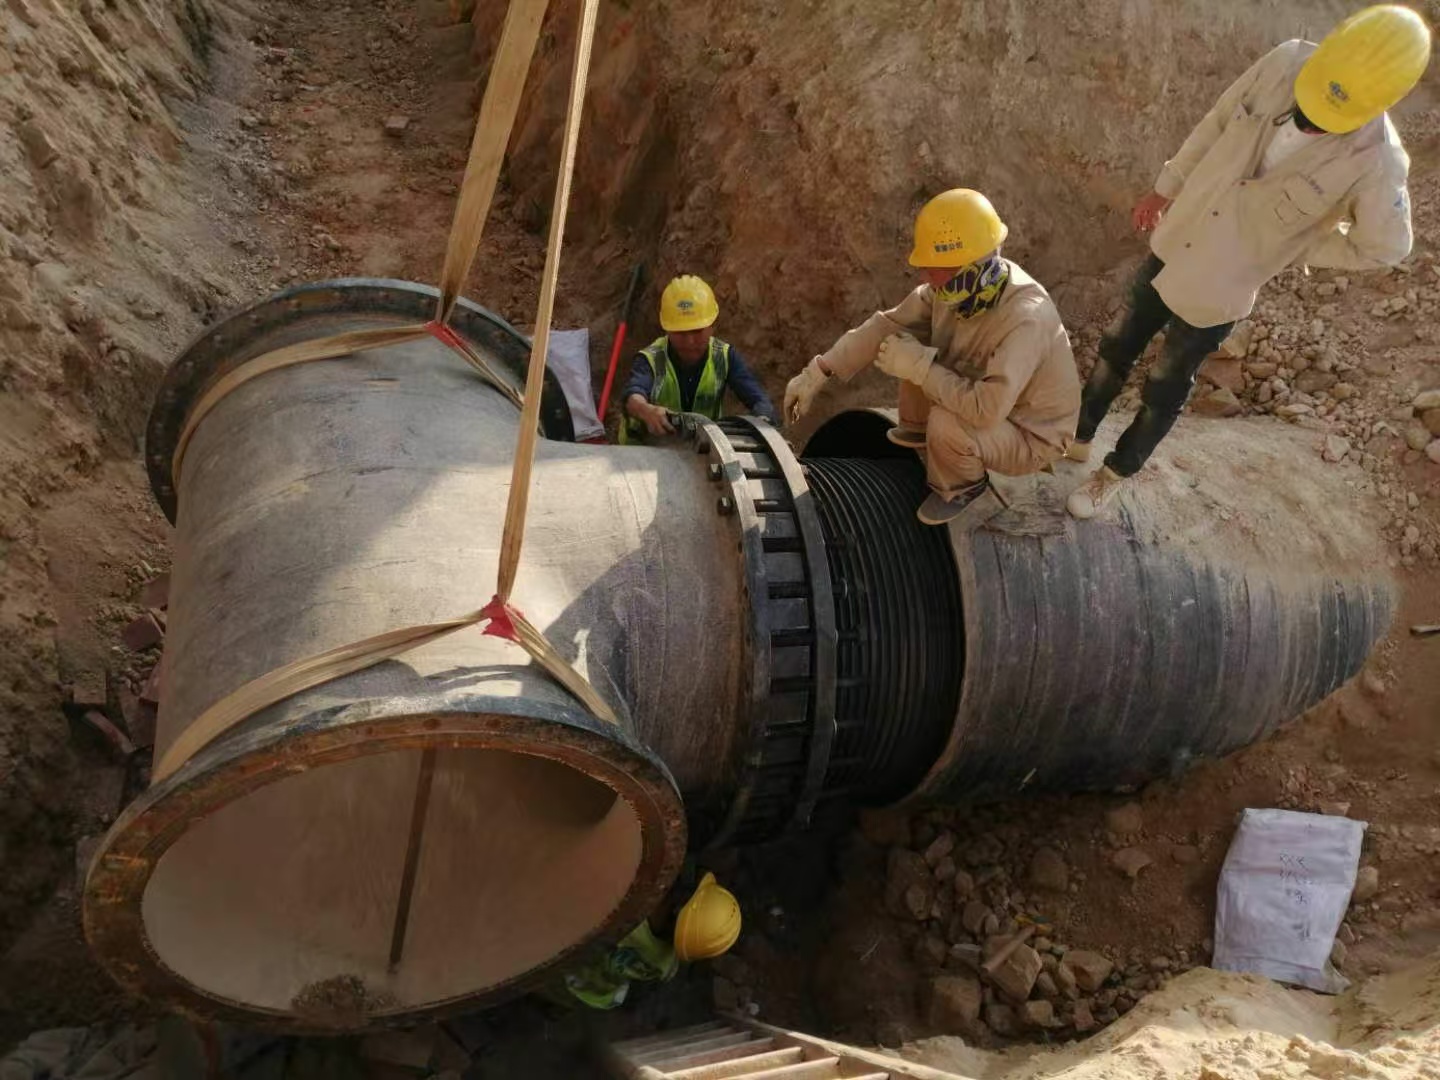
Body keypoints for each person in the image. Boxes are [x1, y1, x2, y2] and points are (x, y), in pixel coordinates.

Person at [1067, 5, 1430, 521]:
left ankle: (1116, 472)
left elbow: (1388, 247)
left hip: (1222, 287)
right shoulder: (1285, 62)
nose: (1305, 120)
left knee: (1165, 385)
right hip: (1179, 240)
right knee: (1116, 345)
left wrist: (1297, 249)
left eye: (1323, 122)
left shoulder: (1378, 163)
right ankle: (1078, 436)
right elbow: (1216, 121)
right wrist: (1165, 187)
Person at [783, 189, 1080, 525]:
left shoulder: (1026, 319)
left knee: (946, 419)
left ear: (969, 267)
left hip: (1032, 432)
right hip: (994, 400)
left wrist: (922, 369)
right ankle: (919, 429)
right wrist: (820, 370)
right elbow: (886, 326)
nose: (924, 275)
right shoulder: (959, 288)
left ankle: (961, 485)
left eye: (934, 267)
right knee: (905, 344)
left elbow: (985, 410)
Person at [619, 275, 778, 443]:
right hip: (643, 453)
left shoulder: (723, 357)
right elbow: (633, 395)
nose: (689, 341)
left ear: (712, 326)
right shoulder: (652, 359)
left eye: (697, 331)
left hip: (699, 452)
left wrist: (763, 418)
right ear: (667, 329)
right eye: (681, 333)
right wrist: (646, 410)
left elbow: (757, 398)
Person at [558, 872, 742, 1010]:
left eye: (690, 891)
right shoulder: (664, 965)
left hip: (565, 963)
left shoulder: (627, 907)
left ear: (678, 909)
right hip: (600, 993)